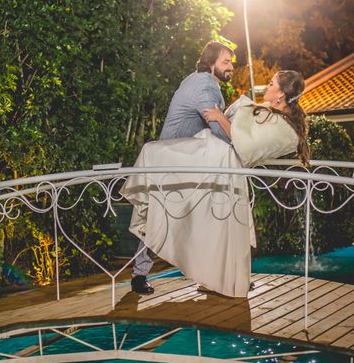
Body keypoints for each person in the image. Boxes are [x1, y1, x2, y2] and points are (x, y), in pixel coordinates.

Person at [121, 70, 309, 298]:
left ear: (280, 95)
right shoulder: (270, 113)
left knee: (211, 224)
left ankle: (223, 278)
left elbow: (247, 148)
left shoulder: (284, 129)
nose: (265, 86)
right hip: (211, 156)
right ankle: (144, 272)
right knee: (164, 185)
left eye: (271, 84)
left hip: (220, 166)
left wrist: (220, 117)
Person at [129, 40, 235, 295]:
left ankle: (212, 276)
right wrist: (245, 140)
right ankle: (139, 275)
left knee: (196, 216)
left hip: (184, 161)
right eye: (226, 62)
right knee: (161, 219)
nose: (231, 67)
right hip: (173, 163)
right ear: (211, 63)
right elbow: (221, 133)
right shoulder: (205, 87)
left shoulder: (199, 80)